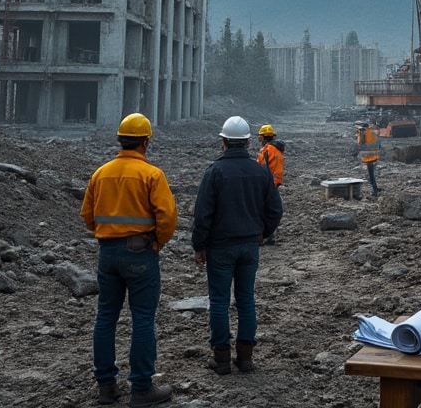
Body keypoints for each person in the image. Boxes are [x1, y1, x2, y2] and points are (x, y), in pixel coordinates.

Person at [81, 113, 178, 406]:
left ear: (121, 141)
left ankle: (106, 387)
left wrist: (106, 234)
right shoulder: (152, 175)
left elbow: (87, 214)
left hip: (107, 253)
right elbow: (168, 216)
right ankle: (141, 388)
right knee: (143, 319)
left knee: (106, 317)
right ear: (146, 143)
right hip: (140, 252)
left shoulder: (101, 173)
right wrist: (158, 242)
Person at [193, 116, 284, 377]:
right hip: (249, 246)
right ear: (246, 142)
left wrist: (200, 246)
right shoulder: (260, 171)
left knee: (219, 302)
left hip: (220, 247)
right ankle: (245, 359)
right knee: (246, 300)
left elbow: (202, 215)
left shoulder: (214, 172)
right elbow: (275, 209)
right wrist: (263, 233)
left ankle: (221, 359)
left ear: (223, 142)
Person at [355, 121, 382, 196]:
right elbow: (378, 141)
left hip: (368, 156)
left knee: (370, 175)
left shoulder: (362, 132)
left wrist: (358, 133)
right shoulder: (373, 130)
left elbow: (360, 142)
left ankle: (374, 190)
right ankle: (375, 188)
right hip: (375, 154)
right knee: (372, 173)